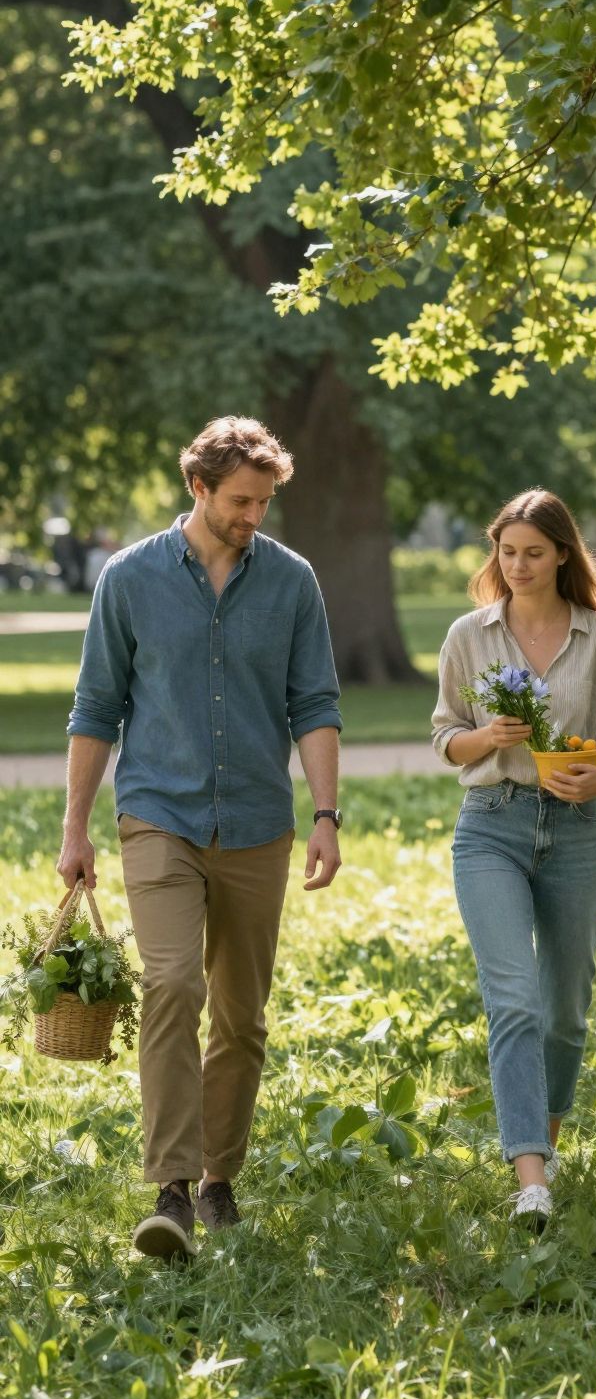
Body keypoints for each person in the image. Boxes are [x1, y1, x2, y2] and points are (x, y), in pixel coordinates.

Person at [60, 416, 343, 1259]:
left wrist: (326, 813)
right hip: (159, 813)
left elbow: (316, 704)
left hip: (259, 820)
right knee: (173, 984)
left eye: (264, 502)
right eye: (240, 501)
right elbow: (95, 707)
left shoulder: (292, 582)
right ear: (198, 488)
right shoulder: (131, 577)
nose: (253, 515)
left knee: (242, 1017)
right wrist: (75, 829)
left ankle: (221, 1178)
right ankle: (172, 1189)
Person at [432, 490, 596, 1230]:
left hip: (579, 831)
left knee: (563, 1014)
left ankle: (542, 1152)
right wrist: (487, 738)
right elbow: (444, 739)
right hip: (492, 824)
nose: (516, 566)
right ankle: (530, 1178)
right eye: (506, 552)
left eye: (532, 552)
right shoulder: (469, 634)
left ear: (561, 555)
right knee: (513, 1000)